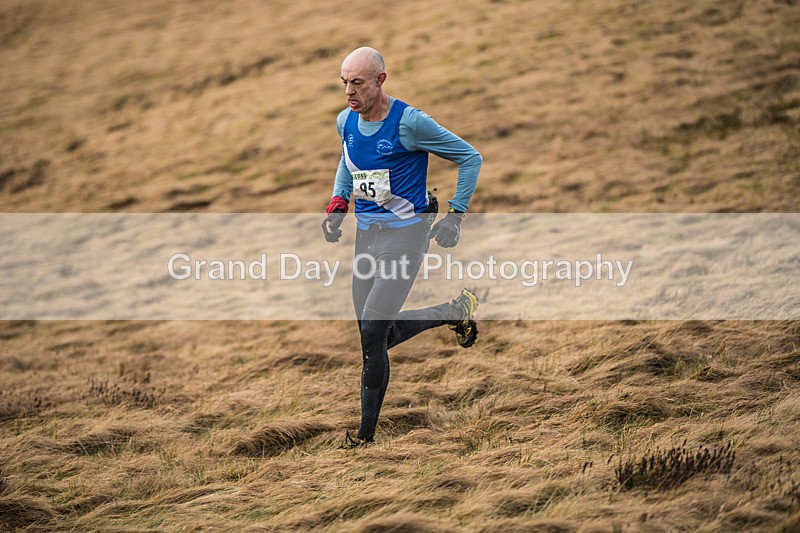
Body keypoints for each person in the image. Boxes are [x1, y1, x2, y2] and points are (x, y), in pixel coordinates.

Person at [321, 47, 482, 448]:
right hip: (367, 236)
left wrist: (455, 215)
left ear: (380, 80)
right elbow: (348, 161)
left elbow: (469, 157)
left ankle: (364, 438)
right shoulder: (346, 121)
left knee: (373, 333)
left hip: (406, 236)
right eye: (343, 82)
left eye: (357, 82)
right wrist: (338, 204)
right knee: (374, 335)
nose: (349, 92)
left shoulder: (410, 123)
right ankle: (452, 311)